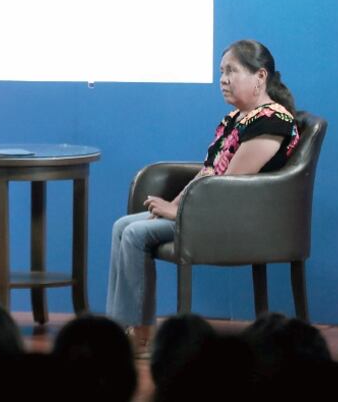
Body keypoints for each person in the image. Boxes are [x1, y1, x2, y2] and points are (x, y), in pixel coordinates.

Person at [106, 39, 301, 356]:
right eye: (221, 71)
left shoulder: (271, 120)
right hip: (208, 209)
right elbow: (209, 172)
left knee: (135, 234)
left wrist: (177, 211)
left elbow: (232, 182)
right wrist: (175, 205)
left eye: (232, 71)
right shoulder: (237, 119)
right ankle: (119, 328)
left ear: (261, 76)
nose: (223, 79)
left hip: (235, 218)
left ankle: (139, 335)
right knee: (121, 226)